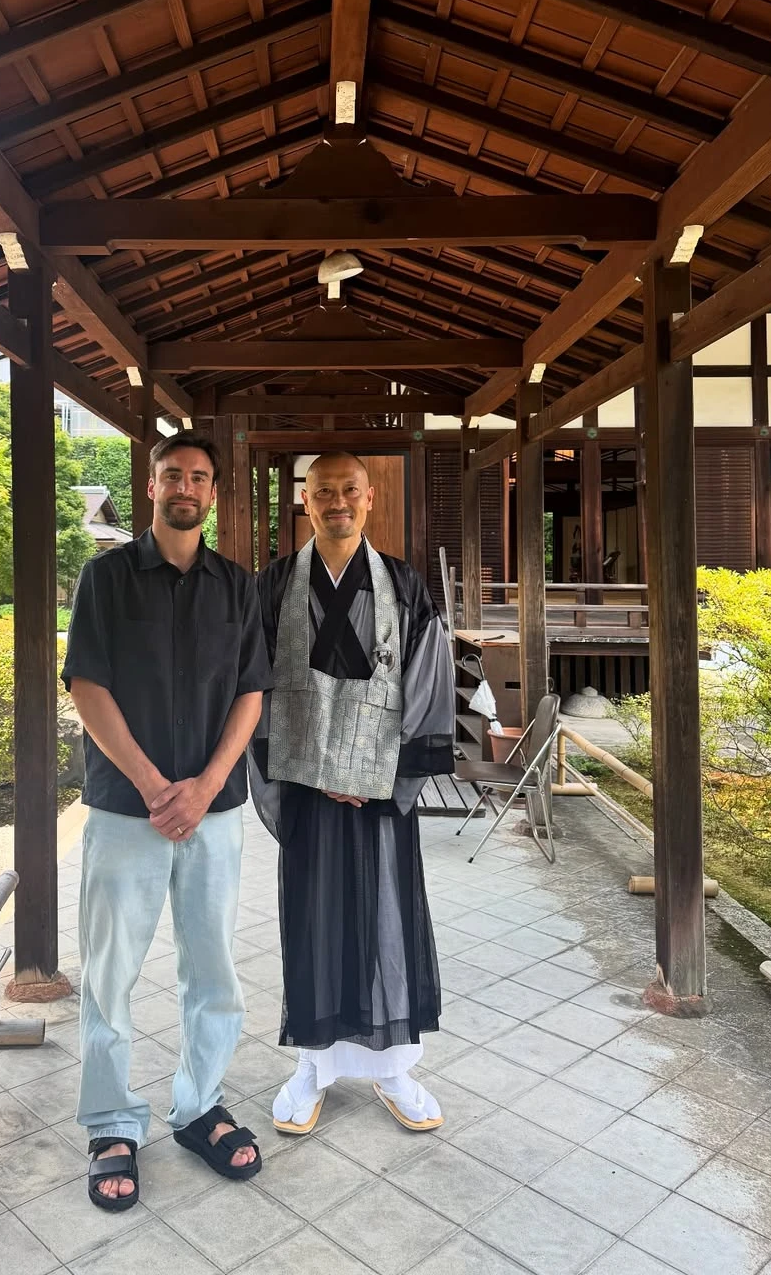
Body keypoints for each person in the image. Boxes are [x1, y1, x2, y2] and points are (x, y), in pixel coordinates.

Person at [63, 432, 273, 1213]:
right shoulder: (107, 578)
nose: (186, 486)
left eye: (200, 477)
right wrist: (157, 786)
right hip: (128, 809)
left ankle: (198, 1105)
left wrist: (209, 782)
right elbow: (88, 683)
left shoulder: (237, 586)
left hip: (215, 811)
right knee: (110, 971)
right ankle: (111, 1122)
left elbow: (252, 689)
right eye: (172, 475)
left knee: (213, 967)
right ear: (149, 487)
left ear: (213, 494)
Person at [248, 452, 455, 1135]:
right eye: (322, 493)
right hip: (308, 789)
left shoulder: (401, 582)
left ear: (369, 499)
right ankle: (313, 1066)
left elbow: (427, 679)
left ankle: (395, 1066)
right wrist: (307, 768)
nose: (336, 502)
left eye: (348, 491)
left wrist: (388, 778)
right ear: (304, 503)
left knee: (389, 919)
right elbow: (254, 687)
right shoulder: (275, 584)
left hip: (381, 795)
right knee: (313, 919)